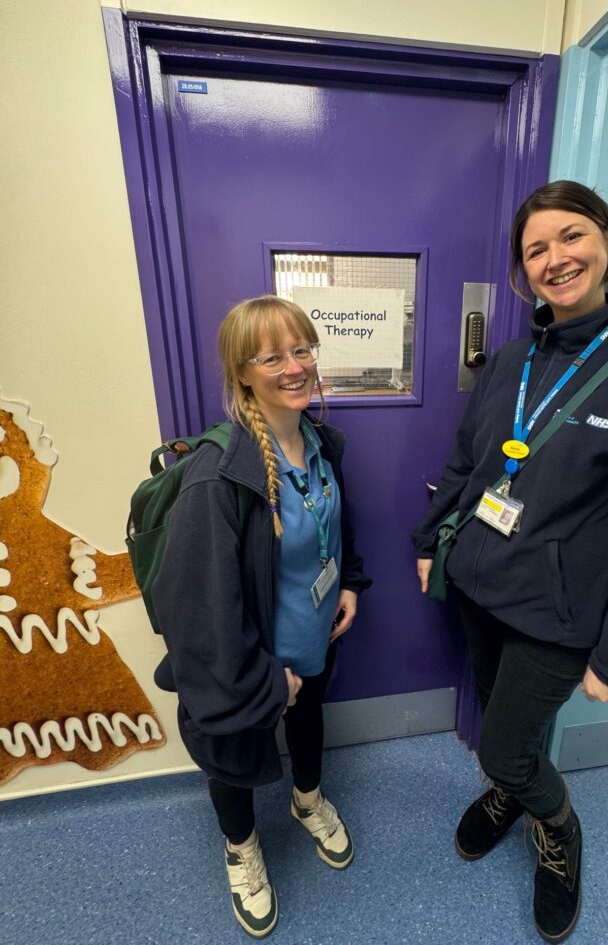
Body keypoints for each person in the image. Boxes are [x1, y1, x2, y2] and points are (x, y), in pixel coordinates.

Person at [412, 181, 608, 943]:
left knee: (505, 745)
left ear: (607, 240)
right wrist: (430, 542)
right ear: (522, 271)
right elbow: (470, 462)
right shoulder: (510, 361)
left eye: (571, 237)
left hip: (560, 612)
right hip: (480, 582)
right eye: (535, 249)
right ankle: (509, 790)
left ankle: (558, 829)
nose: (555, 258)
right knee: (497, 721)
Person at [152, 295, 371, 939]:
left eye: (302, 349)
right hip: (251, 660)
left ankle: (307, 799)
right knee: (233, 753)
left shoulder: (319, 442)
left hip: (315, 633)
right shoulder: (219, 476)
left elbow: (334, 524)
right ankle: (241, 848)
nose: (295, 366)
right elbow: (199, 613)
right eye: (272, 356)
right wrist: (266, 679)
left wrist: (349, 584)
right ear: (242, 373)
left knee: (309, 721)